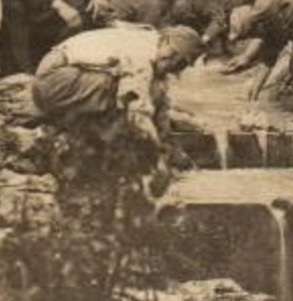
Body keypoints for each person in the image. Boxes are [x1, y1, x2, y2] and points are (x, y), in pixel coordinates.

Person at [32, 25, 205, 193]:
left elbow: (160, 106)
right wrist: (157, 158)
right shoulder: (141, 56)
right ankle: (68, 139)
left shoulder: (154, 46)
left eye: (179, 62)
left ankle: (80, 144)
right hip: (52, 80)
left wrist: (170, 149)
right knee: (123, 94)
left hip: (66, 79)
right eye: (172, 55)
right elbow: (138, 113)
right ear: (165, 40)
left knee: (148, 92)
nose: (171, 62)